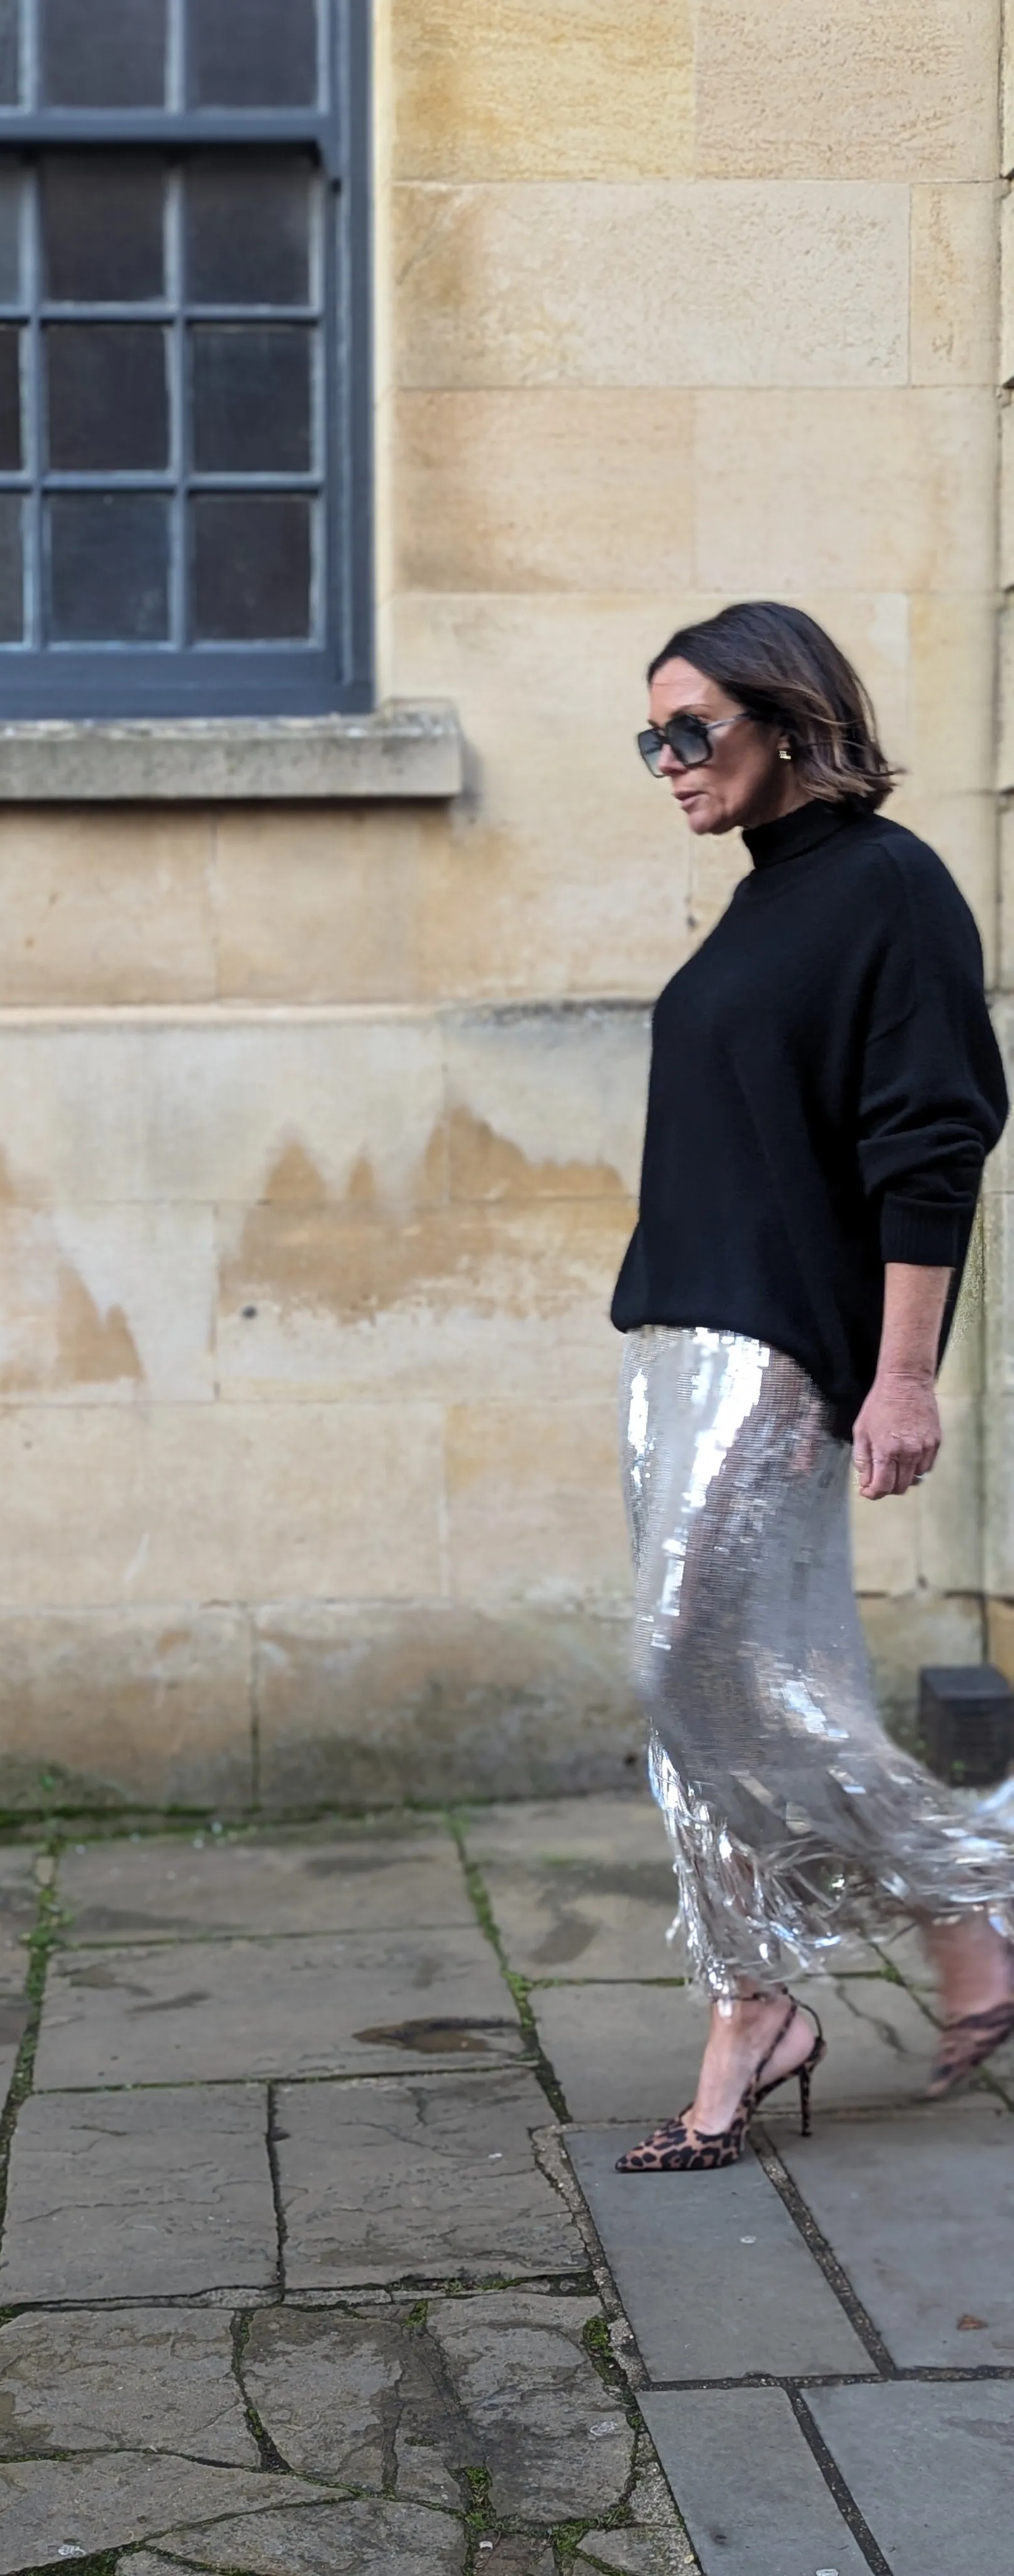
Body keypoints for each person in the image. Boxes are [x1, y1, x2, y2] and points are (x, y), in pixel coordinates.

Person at [609, 599, 1013, 2173]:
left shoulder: (888, 888)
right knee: (704, 1702)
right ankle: (753, 2004)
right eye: (653, 736)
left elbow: (933, 1143)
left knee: (685, 1666)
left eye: (692, 729)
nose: (669, 762)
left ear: (789, 719)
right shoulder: (764, 899)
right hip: (675, 1348)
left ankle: (971, 1888)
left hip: (780, 1354)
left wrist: (904, 1379)